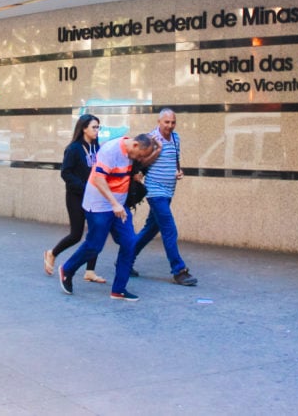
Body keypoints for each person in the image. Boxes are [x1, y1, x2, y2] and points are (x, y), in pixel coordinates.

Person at [58, 133, 156, 301]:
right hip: (99, 204)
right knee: (95, 245)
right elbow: (98, 178)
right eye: (140, 155)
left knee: (129, 242)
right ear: (135, 146)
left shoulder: (134, 153)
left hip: (119, 205)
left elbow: (137, 166)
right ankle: (67, 270)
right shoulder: (110, 150)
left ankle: (119, 289)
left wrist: (156, 151)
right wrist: (114, 204)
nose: (139, 160)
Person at [131, 108, 198, 286]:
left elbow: (175, 159)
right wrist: (157, 150)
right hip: (154, 191)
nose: (170, 126)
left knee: (150, 230)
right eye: (166, 122)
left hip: (169, 190)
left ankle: (124, 260)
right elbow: (141, 162)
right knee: (169, 228)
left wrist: (178, 171)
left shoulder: (176, 138)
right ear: (159, 121)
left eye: (173, 122)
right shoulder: (150, 138)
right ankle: (179, 270)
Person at [44, 114, 106, 284]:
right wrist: (84, 187)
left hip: (94, 197)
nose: (96, 130)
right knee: (76, 234)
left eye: (98, 127)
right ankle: (52, 253)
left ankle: (90, 271)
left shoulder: (96, 147)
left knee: (96, 232)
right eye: (94, 127)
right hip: (76, 196)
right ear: (84, 128)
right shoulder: (74, 149)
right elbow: (66, 173)